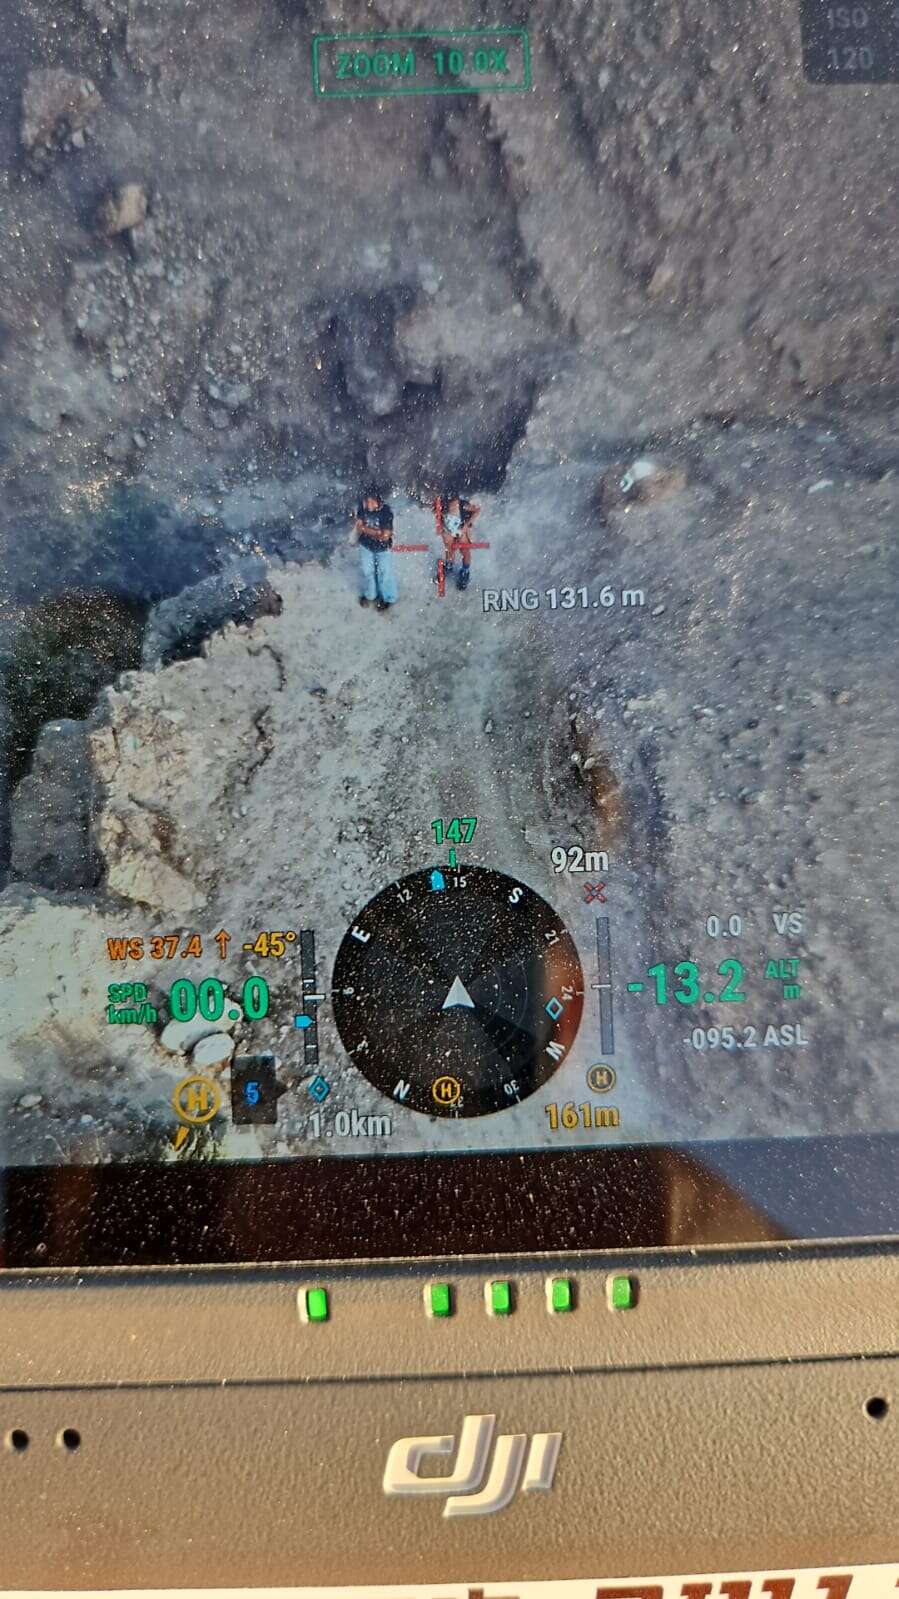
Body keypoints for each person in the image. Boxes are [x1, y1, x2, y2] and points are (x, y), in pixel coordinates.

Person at [353, 490, 397, 613]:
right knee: (368, 572)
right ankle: (370, 594)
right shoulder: (362, 507)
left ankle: (388, 598)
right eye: (367, 502)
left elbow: (385, 536)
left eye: (372, 502)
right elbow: (359, 526)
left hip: (383, 549)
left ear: (379, 502)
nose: (369, 505)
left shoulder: (386, 512)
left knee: (385, 573)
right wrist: (376, 532)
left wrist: (366, 529)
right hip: (366, 546)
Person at [435, 493, 481, 592]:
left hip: (461, 530)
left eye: (454, 501)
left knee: (465, 551)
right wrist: (442, 528)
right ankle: (449, 566)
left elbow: (477, 510)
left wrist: (468, 525)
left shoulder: (463, 505)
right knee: (449, 549)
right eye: (451, 501)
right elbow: (438, 515)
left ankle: (465, 572)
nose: (453, 505)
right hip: (449, 530)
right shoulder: (443, 505)